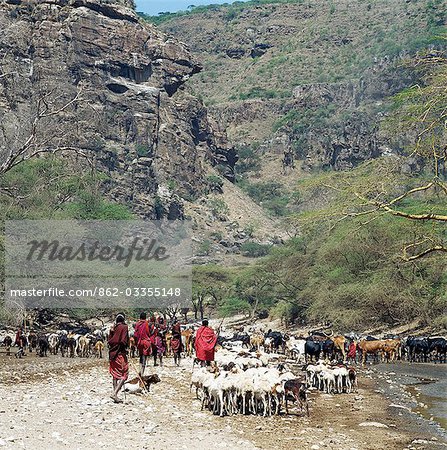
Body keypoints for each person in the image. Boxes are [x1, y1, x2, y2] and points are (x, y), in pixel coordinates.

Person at [108, 313, 129, 403]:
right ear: (123, 320)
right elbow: (123, 341)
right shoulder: (124, 327)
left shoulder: (113, 328)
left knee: (115, 374)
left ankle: (115, 395)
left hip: (112, 354)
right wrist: (126, 348)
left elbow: (110, 341)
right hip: (120, 353)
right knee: (124, 375)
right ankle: (114, 393)